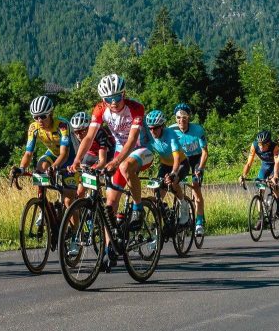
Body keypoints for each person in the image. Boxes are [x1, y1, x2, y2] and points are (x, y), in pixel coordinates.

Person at [69, 74, 153, 268]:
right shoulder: (99, 109)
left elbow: (132, 140)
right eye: (108, 99)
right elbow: (89, 137)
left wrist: (115, 162)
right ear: (102, 100)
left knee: (124, 166)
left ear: (124, 93)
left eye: (117, 97)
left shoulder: (136, 108)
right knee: (110, 203)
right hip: (119, 151)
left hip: (141, 149)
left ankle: (138, 208)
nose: (114, 103)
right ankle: (109, 248)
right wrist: (76, 159)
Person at [11, 96, 75, 207]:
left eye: (43, 116)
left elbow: (64, 153)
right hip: (53, 153)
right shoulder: (33, 128)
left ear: (50, 114)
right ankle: (44, 208)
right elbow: (28, 153)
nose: (39, 120)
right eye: (35, 117)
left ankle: (72, 224)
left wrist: (53, 167)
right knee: (40, 168)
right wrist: (21, 169)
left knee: (68, 201)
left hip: (70, 156)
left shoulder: (62, 125)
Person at [144, 110, 191, 225]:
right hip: (165, 165)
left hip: (181, 163)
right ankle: (163, 218)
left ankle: (183, 205)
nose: (152, 131)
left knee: (173, 182)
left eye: (155, 128)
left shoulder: (170, 134)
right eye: (150, 128)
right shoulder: (149, 136)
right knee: (158, 193)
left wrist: (174, 173)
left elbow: (176, 159)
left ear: (162, 126)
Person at [168, 103, 208, 236]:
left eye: (184, 117)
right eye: (178, 117)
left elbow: (205, 152)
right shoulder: (171, 130)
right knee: (175, 182)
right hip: (181, 159)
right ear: (175, 118)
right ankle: (183, 207)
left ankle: (199, 222)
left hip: (196, 158)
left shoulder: (198, 130)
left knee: (196, 186)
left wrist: (200, 168)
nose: (181, 120)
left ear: (189, 118)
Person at [69, 111, 114, 198]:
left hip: (108, 154)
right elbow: (78, 158)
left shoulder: (99, 133)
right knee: (80, 192)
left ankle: (99, 201)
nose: (79, 135)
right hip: (92, 154)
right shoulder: (75, 136)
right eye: (76, 132)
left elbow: (102, 161)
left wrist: (93, 169)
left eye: (82, 131)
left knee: (97, 175)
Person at [239, 130, 279, 216]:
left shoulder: (275, 147)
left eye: (263, 144)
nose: (261, 147)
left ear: (268, 143)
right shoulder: (254, 146)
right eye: (259, 144)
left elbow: (277, 163)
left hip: (276, 165)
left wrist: (274, 176)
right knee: (260, 187)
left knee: (272, 183)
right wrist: (243, 175)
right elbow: (249, 163)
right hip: (265, 165)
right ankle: (261, 216)